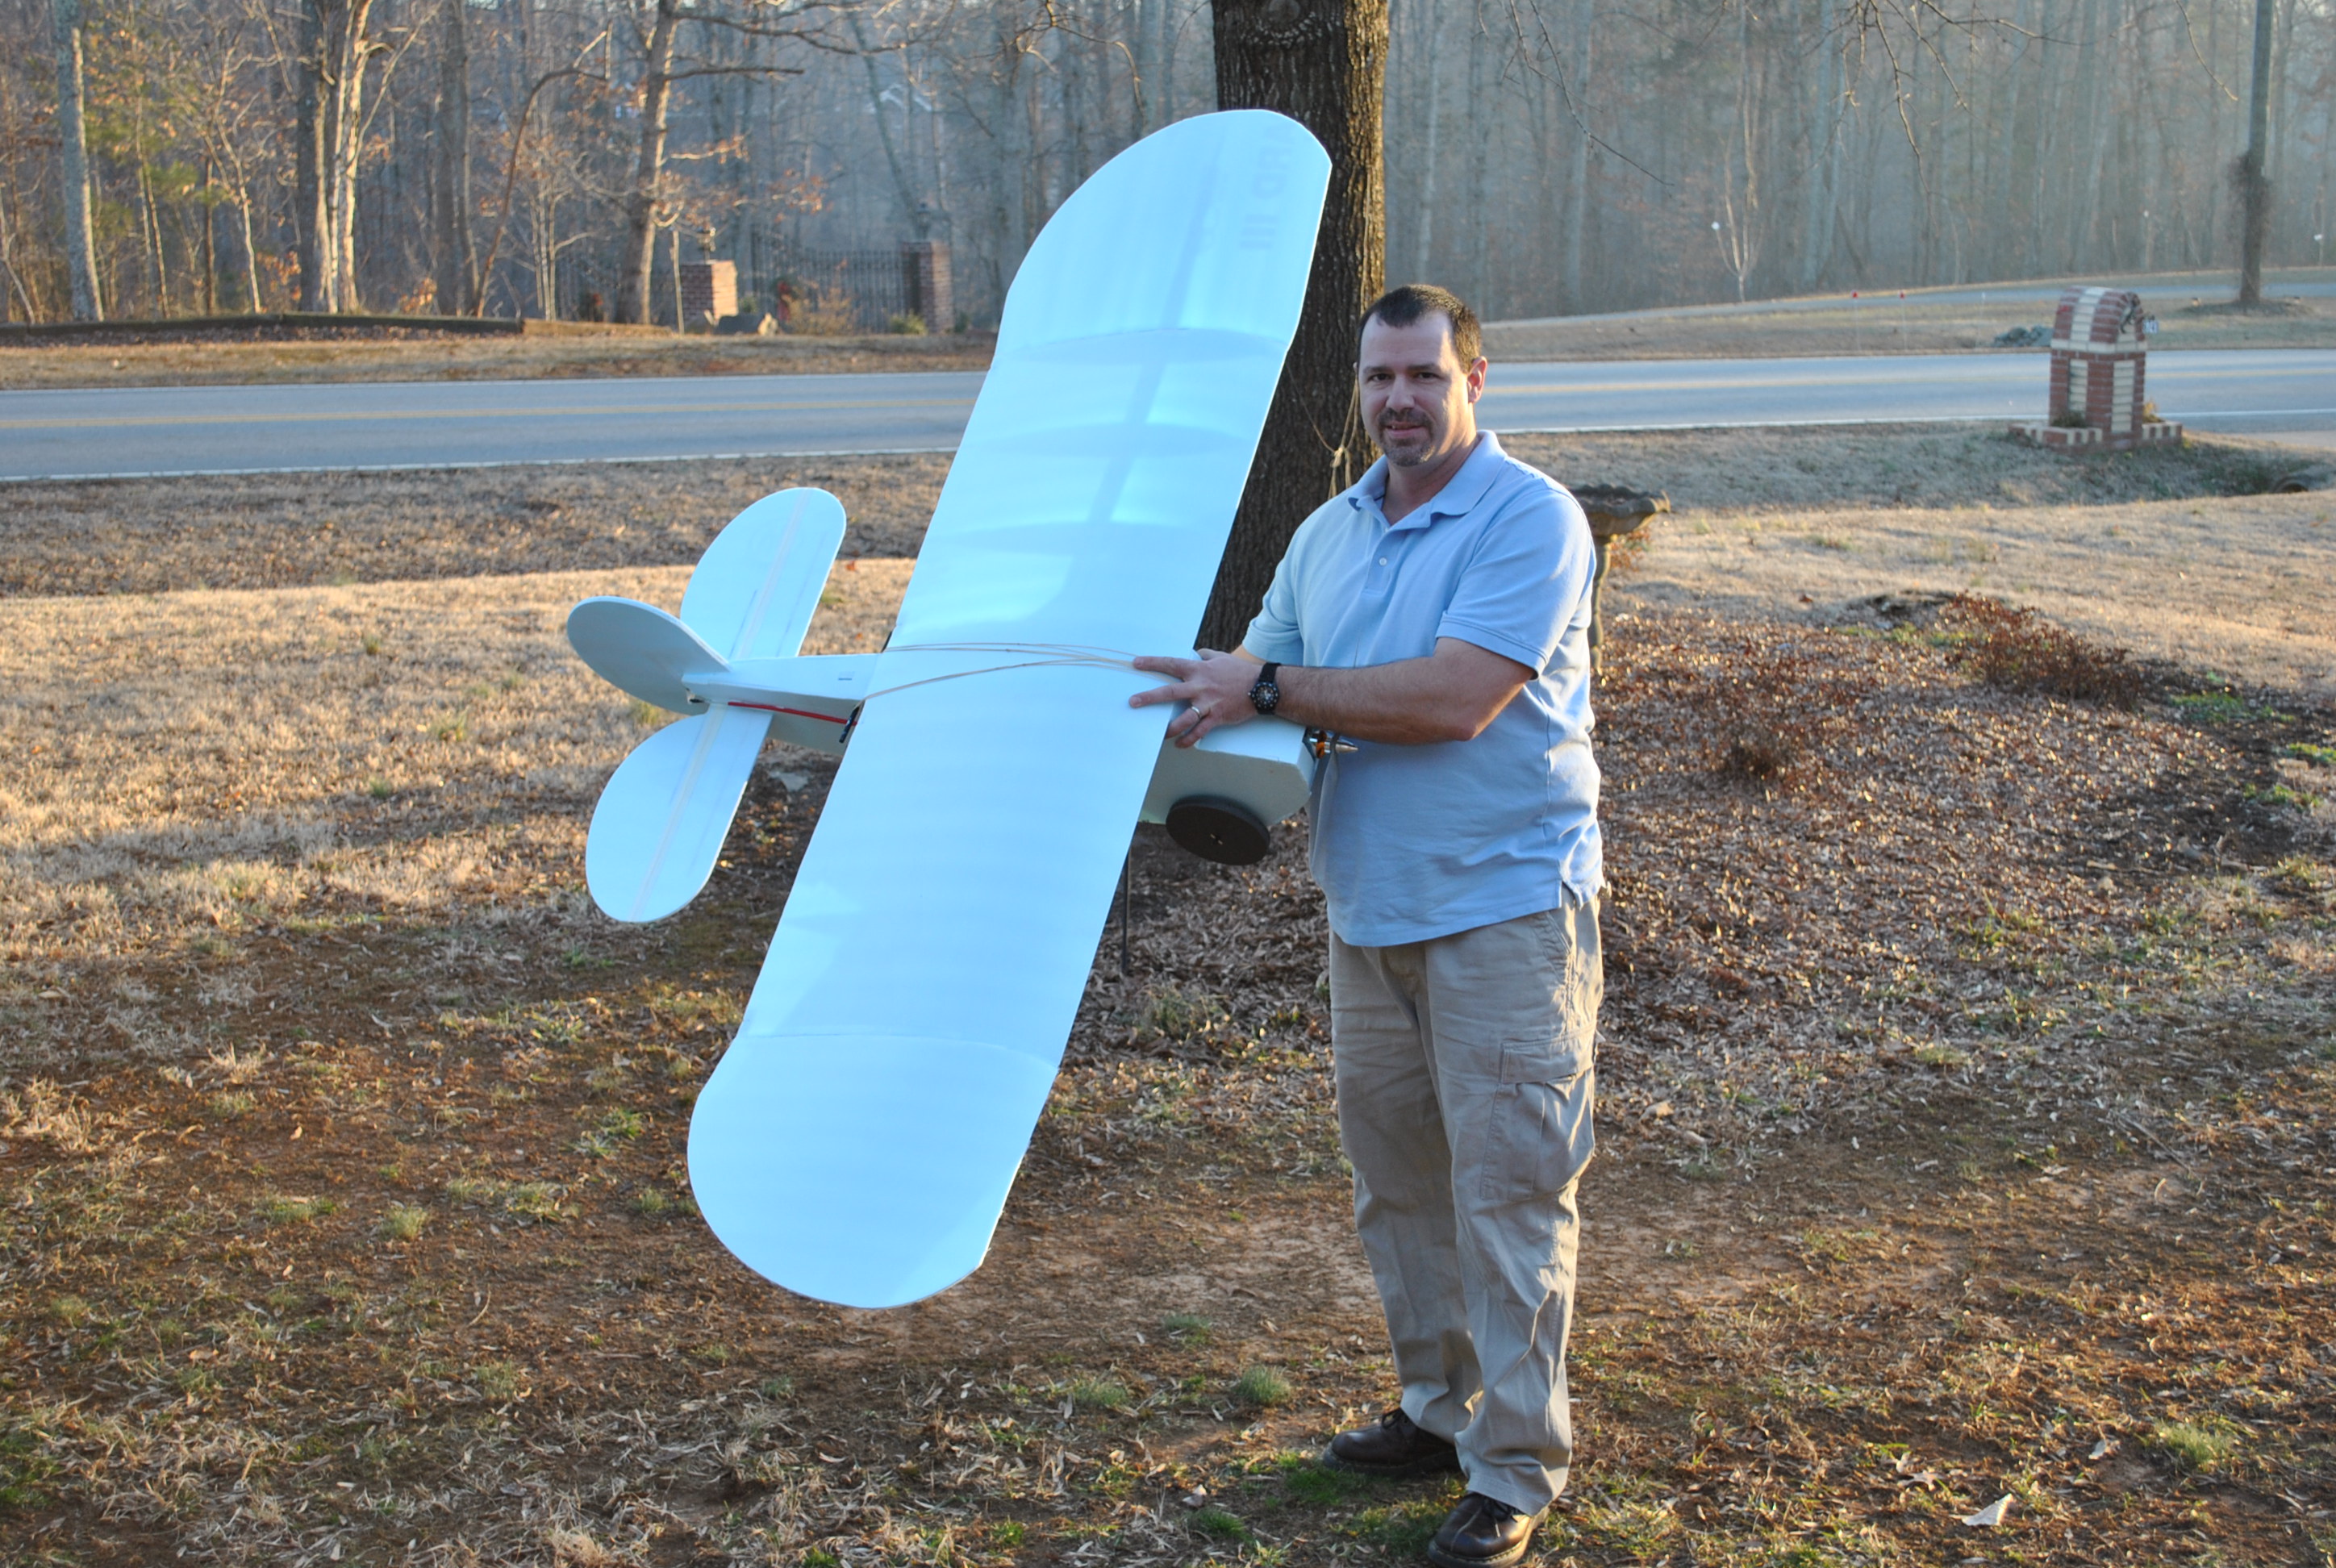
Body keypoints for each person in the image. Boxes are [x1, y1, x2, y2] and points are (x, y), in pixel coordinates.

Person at [1130, 284, 1601, 1568]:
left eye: (1424, 376)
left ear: (1474, 382)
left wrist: (1272, 686)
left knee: (1510, 1193)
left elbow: (1455, 700)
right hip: (1368, 909)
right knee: (1399, 1187)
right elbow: (1250, 691)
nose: (1399, 399)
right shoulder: (1327, 533)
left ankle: (1514, 1467)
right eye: (1380, 377)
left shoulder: (1529, 519)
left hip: (1506, 906)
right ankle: (1438, 1412)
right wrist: (1164, 716)